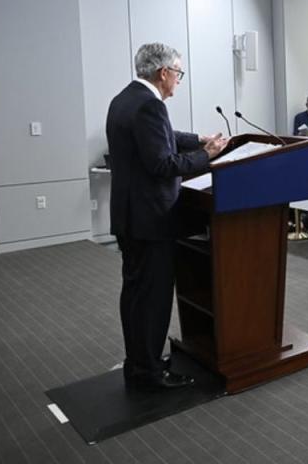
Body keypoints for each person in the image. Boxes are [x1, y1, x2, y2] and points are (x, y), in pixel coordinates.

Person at [107, 43, 228, 390]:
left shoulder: (125, 99)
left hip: (129, 218)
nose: (179, 80)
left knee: (135, 294)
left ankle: (138, 362)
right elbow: (162, 164)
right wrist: (205, 156)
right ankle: (149, 372)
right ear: (164, 73)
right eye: (179, 73)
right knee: (154, 298)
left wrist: (198, 140)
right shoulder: (150, 105)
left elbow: (165, 138)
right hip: (151, 221)